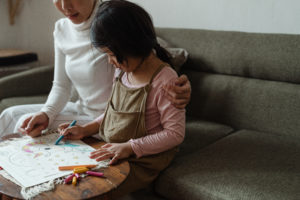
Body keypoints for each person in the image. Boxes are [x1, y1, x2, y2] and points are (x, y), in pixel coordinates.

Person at [0, 0, 191, 137]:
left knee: (21, 123)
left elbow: (150, 51)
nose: (65, 6)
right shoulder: (61, 29)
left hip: (112, 117)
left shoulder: (111, 20)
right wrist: (46, 114)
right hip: (81, 108)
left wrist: (179, 84)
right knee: (8, 115)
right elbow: (61, 86)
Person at [58, 0, 185, 198]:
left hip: (144, 159)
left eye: (111, 54)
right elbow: (112, 113)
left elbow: (175, 134)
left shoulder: (165, 79)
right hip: (116, 148)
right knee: (64, 181)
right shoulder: (122, 71)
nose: (110, 61)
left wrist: (130, 147)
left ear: (133, 43)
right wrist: (85, 129)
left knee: (92, 191)